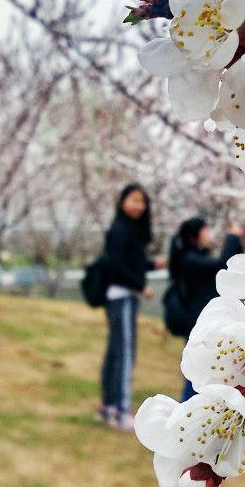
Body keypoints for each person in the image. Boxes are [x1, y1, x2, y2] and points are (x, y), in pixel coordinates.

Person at [98, 183, 166, 431]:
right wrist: (140, 285)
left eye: (142, 201)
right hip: (122, 296)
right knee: (125, 353)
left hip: (120, 295)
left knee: (115, 352)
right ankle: (121, 410)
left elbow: (128, 263)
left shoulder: (127, 229)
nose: (139, 206)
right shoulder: (120, 230)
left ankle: (108, 406)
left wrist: (151, 266)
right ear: (123, 201)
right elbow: (116, 266)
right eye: (134, 200)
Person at [168, 217, 244, 401]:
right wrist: (233, 237)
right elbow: (222, 265)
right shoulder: (190, 259)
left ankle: (192, 405)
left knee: (203, 368)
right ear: (195, 235)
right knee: (197, 369)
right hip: (197, 323)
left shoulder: (193, 257)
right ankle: (187, 406)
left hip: (200, 322)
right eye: (205, 229)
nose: (209, 233)